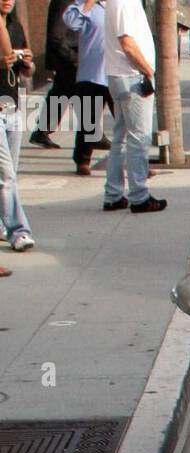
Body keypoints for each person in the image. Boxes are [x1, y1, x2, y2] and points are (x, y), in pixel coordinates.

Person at [101, 0, 164, 212]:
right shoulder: (122, 2)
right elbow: (126, 43)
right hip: (131, 77)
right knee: (139, 137)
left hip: (122, 76)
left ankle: (113, 194)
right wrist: (148, 70)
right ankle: (139, 196)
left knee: (120, 138)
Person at [0, 0, 35, 264]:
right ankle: (18, 230)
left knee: (10, 173)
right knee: (6, 176)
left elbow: (27, 68)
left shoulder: (15, 26)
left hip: (12, 107)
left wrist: (26, 64)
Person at [64, 0, 112, 176]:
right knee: (88, 122)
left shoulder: (122, 4)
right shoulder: (84, 4)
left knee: (127, 120)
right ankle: (83, 160)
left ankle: (138, 161)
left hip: (118, 71)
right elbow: (71, 22)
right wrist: (89, 3)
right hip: (93, 73)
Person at [30, 3, 79, 149]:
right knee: (86, 94)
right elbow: (56, 36)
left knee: (61, 93)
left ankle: (42, 131)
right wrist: (73, 58)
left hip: (70, 58)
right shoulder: (65, 2)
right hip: (69, 58)